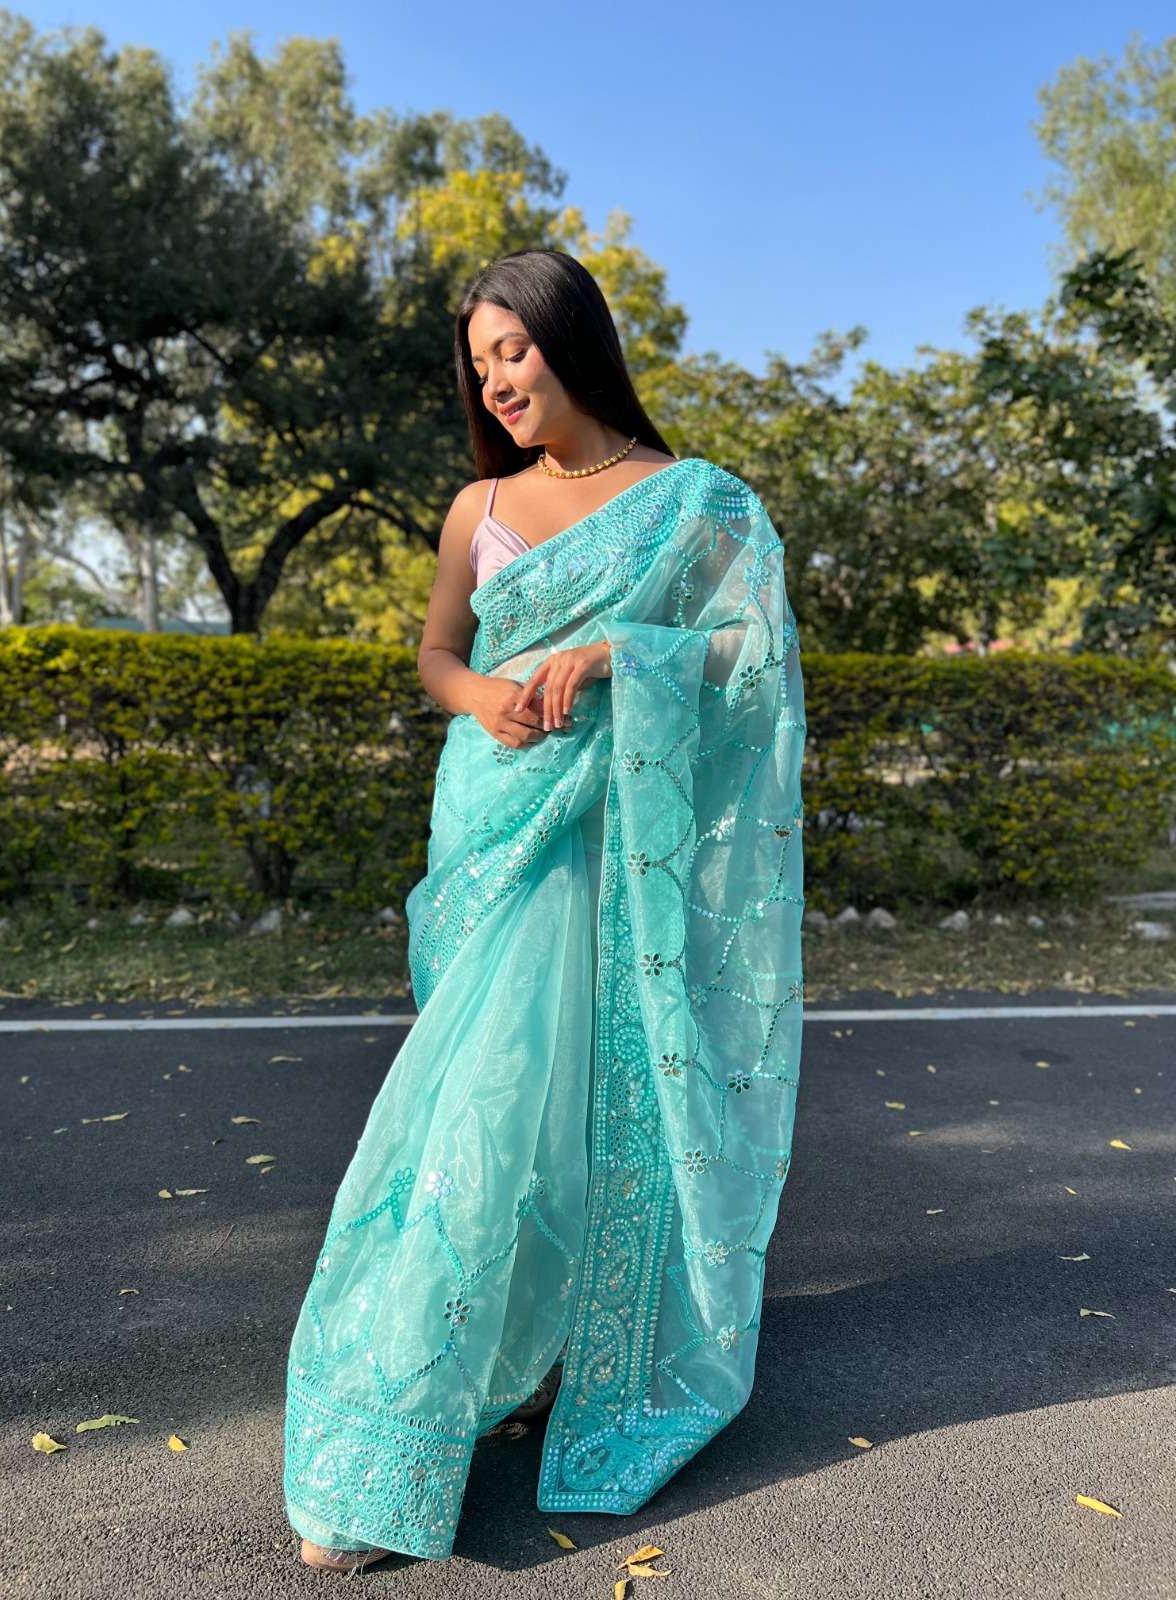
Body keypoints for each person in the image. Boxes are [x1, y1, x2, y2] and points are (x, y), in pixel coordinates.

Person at [285, 248, 807, 1573]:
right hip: (497, 821)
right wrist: (484, 697)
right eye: (479, 365)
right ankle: (391, 1432)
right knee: (480, 1107)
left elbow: (755, 655)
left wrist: (624, 651)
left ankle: (523, 1365)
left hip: (617, 834)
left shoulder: (693, 502)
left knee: (575, 1107)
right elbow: (439, 653)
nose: (495, 382)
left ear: (571, 338)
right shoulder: (478, 508)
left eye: (511, 350)